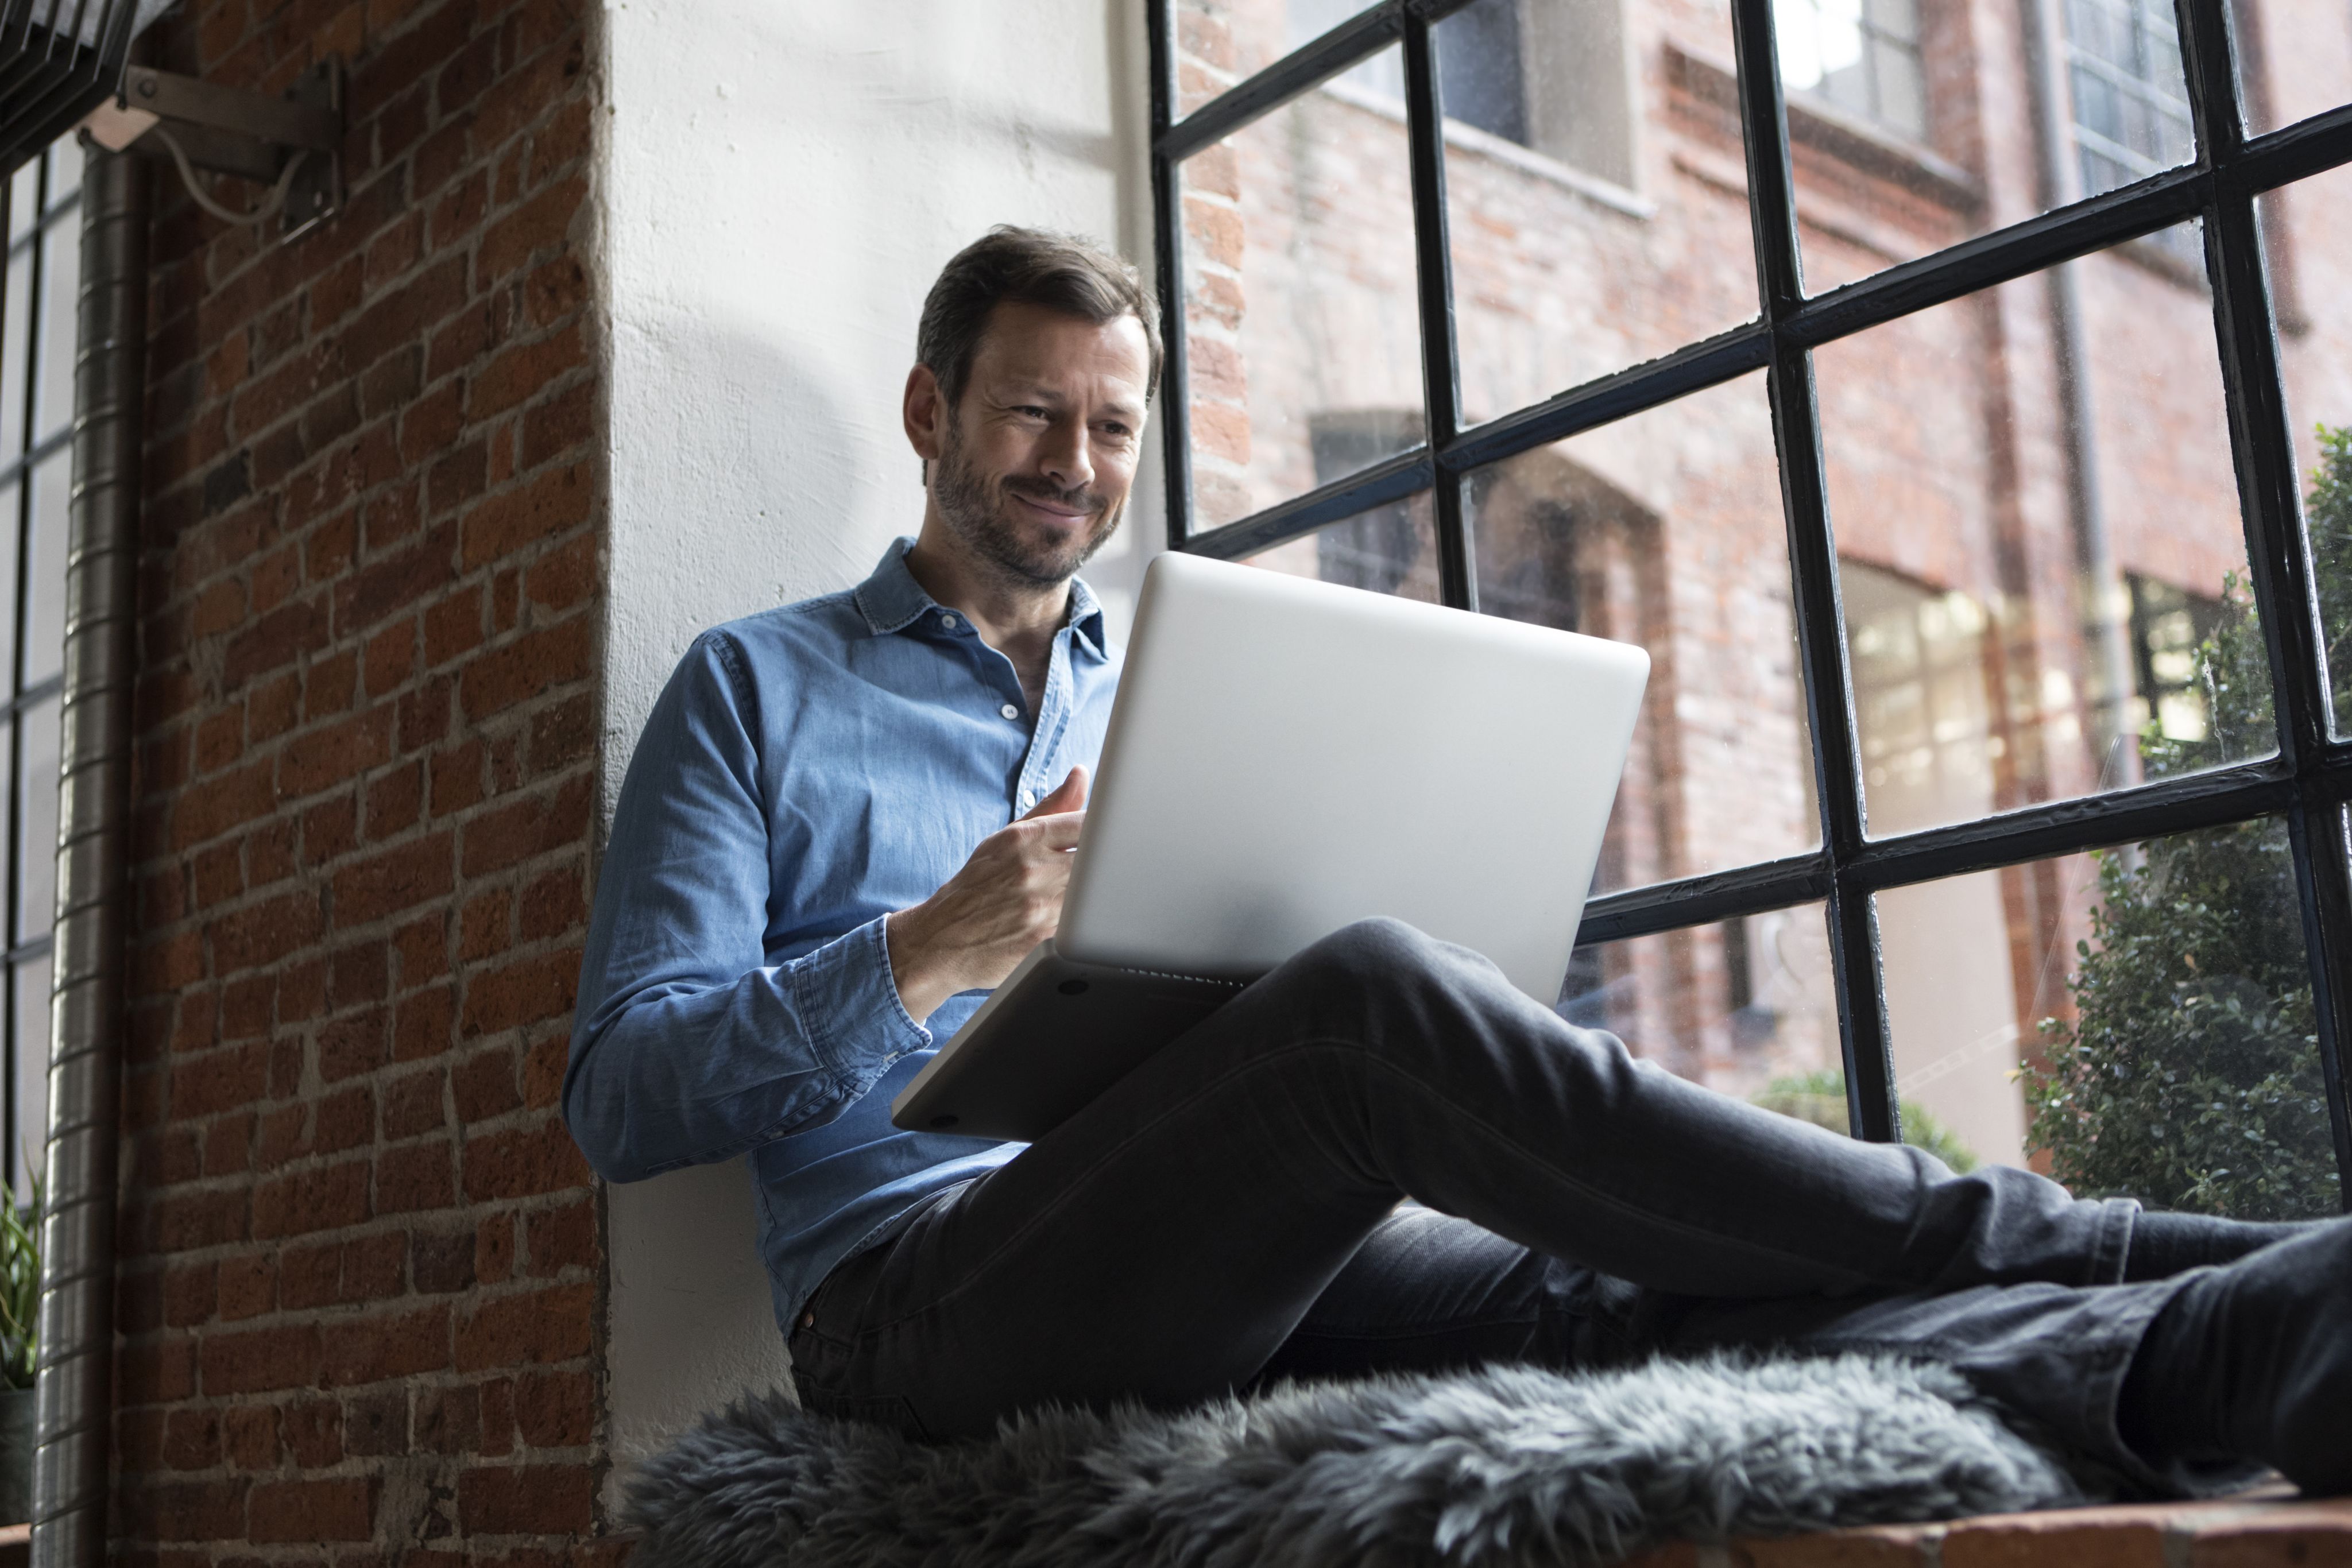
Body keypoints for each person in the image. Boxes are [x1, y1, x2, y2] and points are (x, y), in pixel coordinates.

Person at [564, 225, 2351, 1498]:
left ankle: (2241, 1340)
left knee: (1627, 1295)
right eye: (1035, 414)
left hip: (1230, 1259)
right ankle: (2062, 1234)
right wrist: (933, 942)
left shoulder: (1183, 678)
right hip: (919, 1308)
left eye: (1114, 427)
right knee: (1365, 1003)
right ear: (928, 411)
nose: (1076, 465)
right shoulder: (758, 687)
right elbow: (625, 1097)